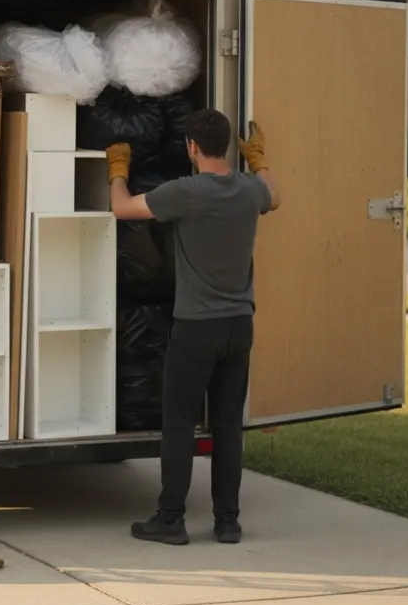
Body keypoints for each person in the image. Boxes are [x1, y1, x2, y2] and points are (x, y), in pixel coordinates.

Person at [105, 109, 281, 546]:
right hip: (239, 326)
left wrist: (117, 170)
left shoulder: (185, 192)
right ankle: (227, 521)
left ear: (192, 148)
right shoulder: (248, 189)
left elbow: (121, 208)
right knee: (227, 426)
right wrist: (258, 161)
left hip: (195, 329)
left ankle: (170, 519)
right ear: (228, 147)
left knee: (180, 424)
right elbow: (275, 196)